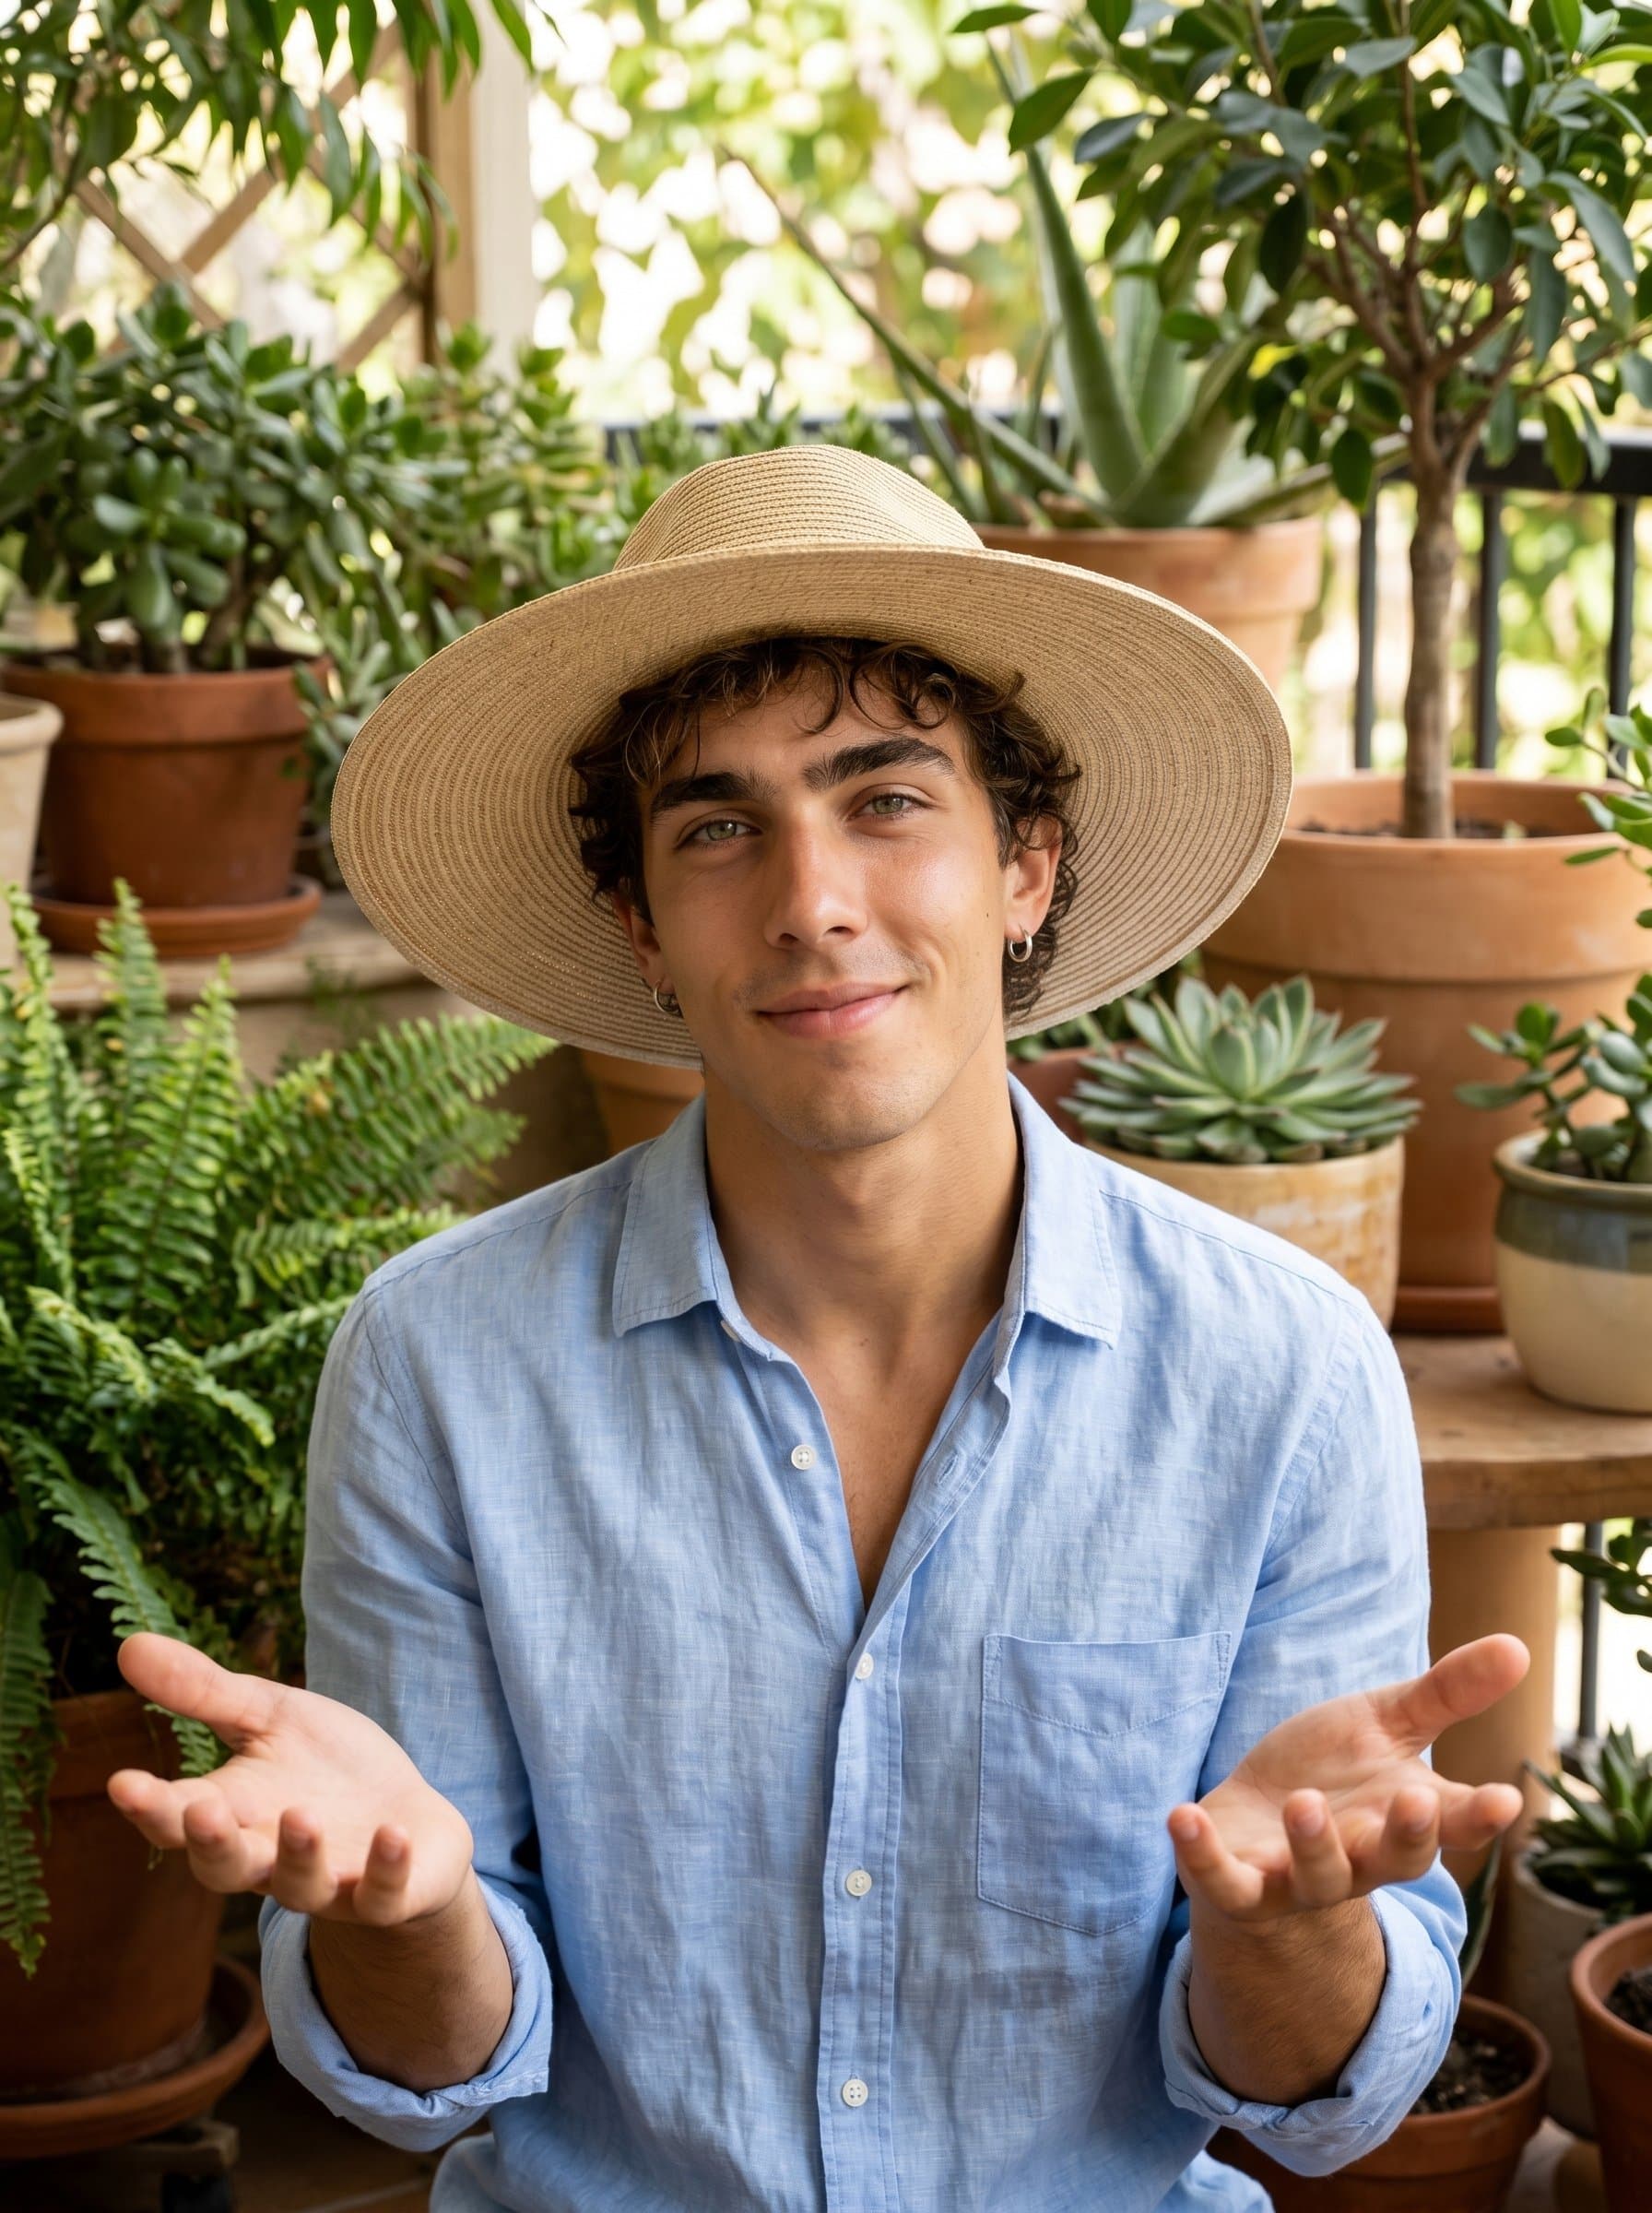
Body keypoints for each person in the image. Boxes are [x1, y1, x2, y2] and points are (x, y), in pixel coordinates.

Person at [110, 444, 1528, 2213]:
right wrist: (407, 1910)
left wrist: (1288, 1925)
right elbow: (431, 2067)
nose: (810, 901)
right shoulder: (438, 1365)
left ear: (1027, 866)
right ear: (640, 926)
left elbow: (1311, 2096)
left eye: (888, 800)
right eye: (718, 828)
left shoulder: (1286, 1372)